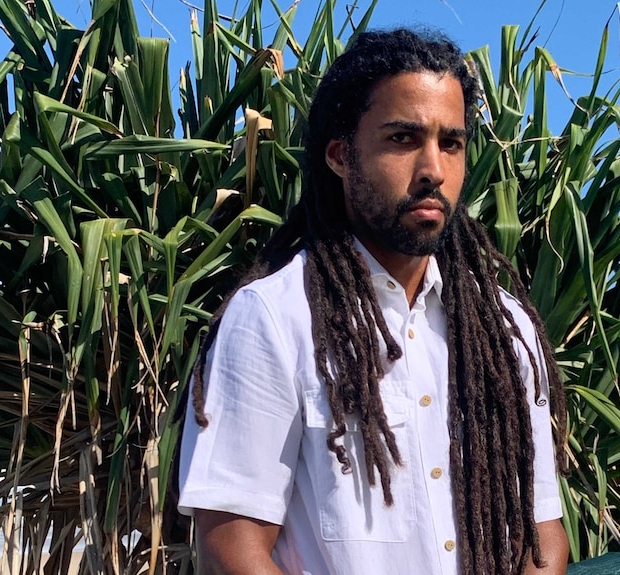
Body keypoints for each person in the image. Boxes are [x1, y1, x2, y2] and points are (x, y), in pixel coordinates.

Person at [178, 28, 569, 575]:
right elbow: (231, 550)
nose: (434, 169)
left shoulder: (504, 329)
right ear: (340, 156)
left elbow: (542, 535)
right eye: (403, 139)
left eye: (450, 143)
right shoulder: (274, 318)